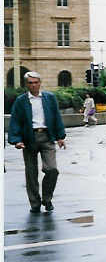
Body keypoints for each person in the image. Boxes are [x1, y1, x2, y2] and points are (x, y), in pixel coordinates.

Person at [8, 71, 67, 213]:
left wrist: (60, 137)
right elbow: (15, 121)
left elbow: (56, 117)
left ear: (40, 83)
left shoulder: (50, 98)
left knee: (52, 170)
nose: (33, 85)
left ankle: (47, 199)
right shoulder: (21, 101)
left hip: (47, 137)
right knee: (31, 173)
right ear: (26, 84)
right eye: (30, 83)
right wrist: (16, 140)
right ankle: (35, 203)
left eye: (36, 82)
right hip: (29, 139)